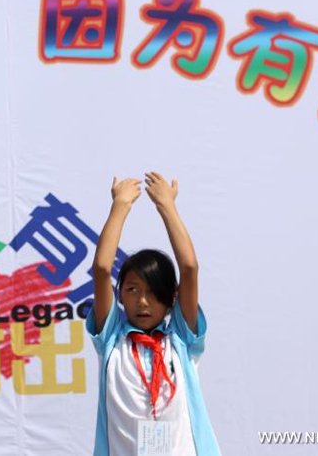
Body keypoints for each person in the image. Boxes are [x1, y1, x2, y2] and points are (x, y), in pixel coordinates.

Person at [87, 172, 220, 455]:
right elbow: (100, 268)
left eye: (153, 291)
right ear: (120, 294)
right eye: (133, 290)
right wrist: (120, 207)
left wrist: (167, 207)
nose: (143, 302)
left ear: (172, 297)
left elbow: (189, 268)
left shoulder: (181, 339)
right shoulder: (111, 340)